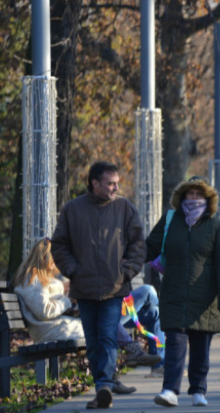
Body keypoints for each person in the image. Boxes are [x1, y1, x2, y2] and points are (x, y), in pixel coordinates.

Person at [51, 161, 145, 409]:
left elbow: (138, 244)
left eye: (117, 183)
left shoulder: (125, 208)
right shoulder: (73, 209)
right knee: (93, 341)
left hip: (114, 288)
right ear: (95, 183)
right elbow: (59, 245)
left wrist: (125, 272)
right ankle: (102, 386)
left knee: (107, 336)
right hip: (85, 288)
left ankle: (104, 385)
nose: (116, 187)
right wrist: (73, 270)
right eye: (111, 183)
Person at [14, 240, 162, 395]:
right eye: (54, 260)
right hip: (51, 330)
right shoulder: (31, 280)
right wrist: (67, 301)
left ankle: (114, 376)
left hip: (59, 325)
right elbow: (44, 310)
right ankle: (121, 366)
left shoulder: (41, 278)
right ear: (44, 258)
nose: (56, 264)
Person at [146, 176, 220, 408]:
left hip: (205, 299)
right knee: (175, 344)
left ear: (207, 198)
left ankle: (198, 390)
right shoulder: (170, 220)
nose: (193, 198)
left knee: (200, 349)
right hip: (174, 293)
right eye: (189, 193)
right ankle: (170, 391)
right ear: (182, 196)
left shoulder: (215, 225)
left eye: (198, 194)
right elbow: (149, 247)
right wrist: (125, 258)